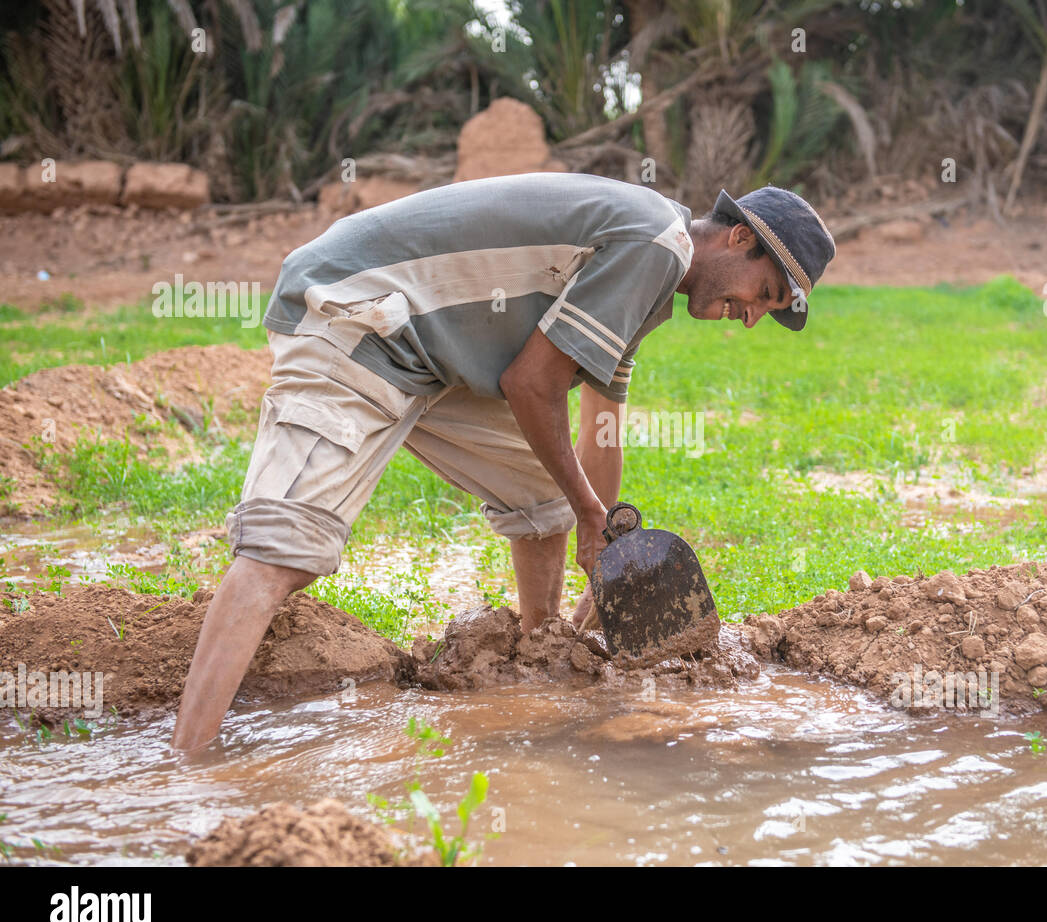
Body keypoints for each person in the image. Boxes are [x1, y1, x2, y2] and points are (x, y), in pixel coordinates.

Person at [170, 171, 836, 751]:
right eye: (765, 292)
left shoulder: (655, 286)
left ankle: (538, 665)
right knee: (281, 552)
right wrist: (587, 510)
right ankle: (186, 766)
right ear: (740, 239)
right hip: (355, 315)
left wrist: (600, 547)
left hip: (433, 353)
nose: (751, 318)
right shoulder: (653, 245)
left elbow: (602, 428)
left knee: (539, 506)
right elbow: (531, 385)